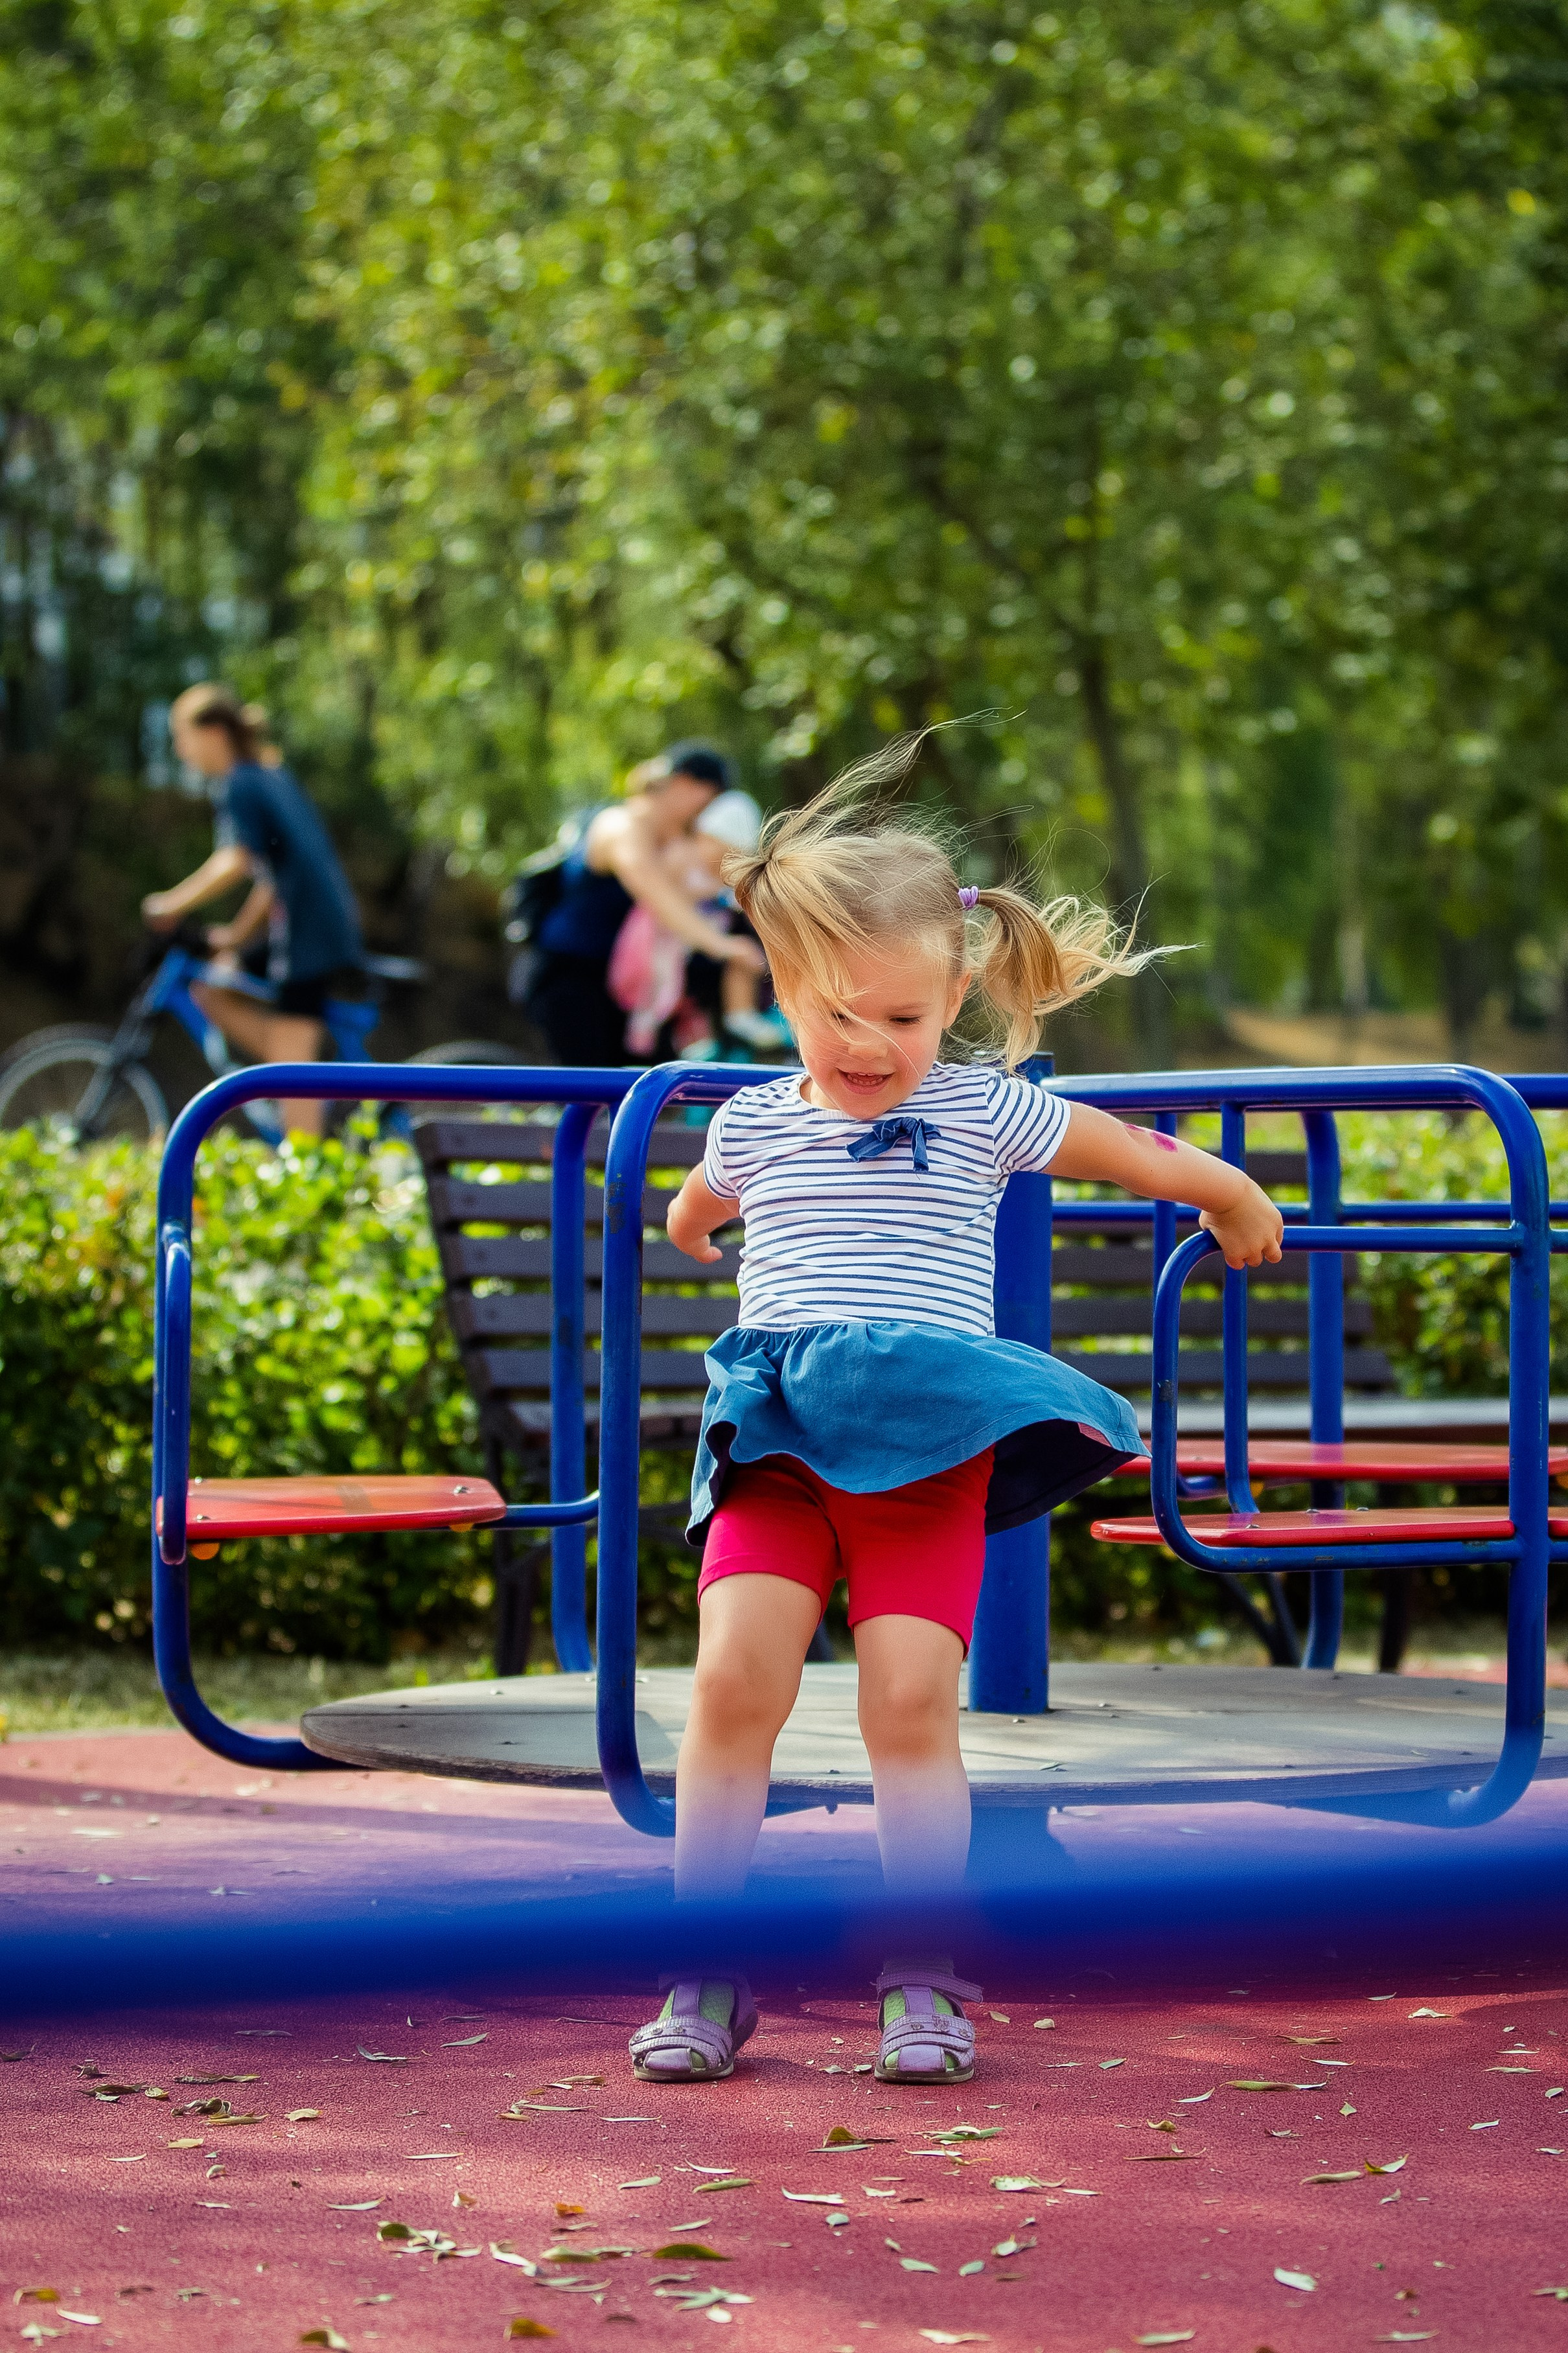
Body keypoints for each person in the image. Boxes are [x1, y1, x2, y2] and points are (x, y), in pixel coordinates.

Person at [627, 745, 1284, 2087]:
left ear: (957, 995)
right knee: (732, 1685)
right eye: (834, 1015)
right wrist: (700, 1224)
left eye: (904, 1020)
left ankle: (922, 1970)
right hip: (776, 1439)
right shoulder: (753, 1123)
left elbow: (1125, 1150)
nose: (869, 1047)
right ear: (780, 986)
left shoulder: (979, 1107)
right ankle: (703, 1964)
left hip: (923, 1443)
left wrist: (1226, 1191)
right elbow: (697, 1204)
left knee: (910, 1701)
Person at [140, 684, 363, 1137]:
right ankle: (295, 1076)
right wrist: (238, 938)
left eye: (182, 736)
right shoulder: (269, 774)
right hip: (309, 924)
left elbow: (236, 859)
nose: (181, 751)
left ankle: (305, 1160)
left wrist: (170, 902)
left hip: (308, 934)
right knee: (213, 986)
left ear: (214, 732)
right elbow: (273, 875)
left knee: (290, 1070)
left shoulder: (241, 781)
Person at [526, 743, 765, 1065]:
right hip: (573, 977)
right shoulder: (621, 825)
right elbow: (651, 889)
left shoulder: (676, 839)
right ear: (683, 784)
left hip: (629, 986)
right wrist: (719, 945)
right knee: (589, 1091)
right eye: (711, 799)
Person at [608, 789, 790, 1058]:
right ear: (707, 837)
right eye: (723, 850)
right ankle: (674, 1032)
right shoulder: (683, 855)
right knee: (670, 984)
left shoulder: (715, 870)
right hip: (665, 937)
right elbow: (665, 899)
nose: (723, 862)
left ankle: (739, 1015)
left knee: (745, 955)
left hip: (700, 941)